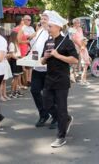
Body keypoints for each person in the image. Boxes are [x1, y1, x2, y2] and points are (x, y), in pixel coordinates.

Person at [41, 11, 78, 148]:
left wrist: (57, 55)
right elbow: (42, 61)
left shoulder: (67, 42)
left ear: (58, 27)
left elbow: (74, 60)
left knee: (62, 108)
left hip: (62, 79)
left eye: (50, 26)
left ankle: (61, 136)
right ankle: (66, 119)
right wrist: (45, 57)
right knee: (46, 104)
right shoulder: (48, 42)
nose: (48, 28)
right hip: (49, 78)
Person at [30, 11, 53, 128]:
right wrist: (32, 60)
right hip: (37, 68)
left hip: (49, 69)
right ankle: (43, 114)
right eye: (42, 18)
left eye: (45, 18)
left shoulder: (54, 33)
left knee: (49, 94)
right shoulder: (38, 31)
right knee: (34, 90)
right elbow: (34, 48)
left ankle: (55, 116)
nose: (43, 20)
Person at [8, 31, 23, 98]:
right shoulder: (11, 44)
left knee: (17, 77)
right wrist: (18, 59)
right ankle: (12, 92)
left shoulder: (16, 43)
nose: (18, 36)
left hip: (18, 60)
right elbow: (11, 54)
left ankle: (16, 90)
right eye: (17, 35)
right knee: (15, 77)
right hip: (15, 61)